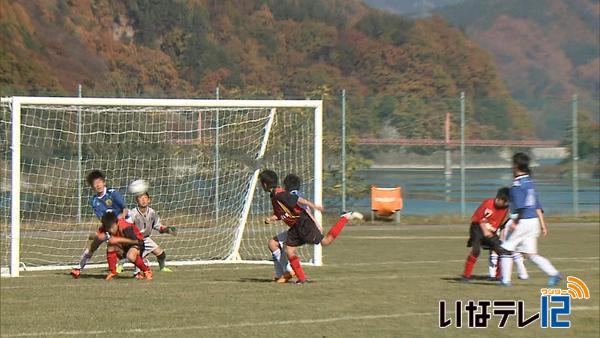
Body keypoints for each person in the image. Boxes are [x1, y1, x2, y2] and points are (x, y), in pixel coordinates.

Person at [260, 170, 362, 284]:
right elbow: (281, 214)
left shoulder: (280, 194)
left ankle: (344, 217)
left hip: (303, 222)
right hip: (295, 225)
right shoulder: (274, 195)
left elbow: (298, 200)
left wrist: (315, 206)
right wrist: (270, 218)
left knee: (325, 242)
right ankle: (301, 279)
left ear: (264, 184)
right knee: (289, 250)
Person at [499, 152, 561, 286]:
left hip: (523, 221)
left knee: (505, 249)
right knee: (531, 254)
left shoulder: (517, 185)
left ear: (515, 165)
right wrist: (542, 224)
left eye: (512, 164)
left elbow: (521, 207)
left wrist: (515, 222)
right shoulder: (530, 182)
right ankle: (554, 273)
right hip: (533, 222)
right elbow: (537, 204)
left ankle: (505, 280)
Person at [71, 170, 129, 279]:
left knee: (126, 250)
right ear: (92, 186)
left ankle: (139, 269)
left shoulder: (113, 193)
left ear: (104, 182)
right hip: (108, 226)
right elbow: (102, 218)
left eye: (99, 182)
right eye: (94, 183)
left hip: (122, 224)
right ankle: (78, 268)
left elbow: (125, 209)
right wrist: (108, 231)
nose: (97, 185)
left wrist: (120, 220)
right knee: (95, 242)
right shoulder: (94, 201)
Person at [461, 187, 511, 282]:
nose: (506, 204)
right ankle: (466, 276)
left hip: (490, 231)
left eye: (508, 202)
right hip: (477, 228)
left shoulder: (505, 209)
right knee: (476, 251)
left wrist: (495, 233)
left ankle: (498, 276)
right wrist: (486, 231)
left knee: (501, 250)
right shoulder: (488, 203)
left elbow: (497, 224)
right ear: (499, 198)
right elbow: (480, 220)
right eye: (505, 201)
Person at [128, 192, 177, 277]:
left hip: (146, 239)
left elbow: (158, 226)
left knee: (161, 254)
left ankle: (162, 268)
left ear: (149, 200)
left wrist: (166, 229)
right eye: (140, 198)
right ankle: (134, 272)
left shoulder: (152, 213)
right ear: (136, 200)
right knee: (137, 257)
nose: (143, 200)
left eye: (145, 198)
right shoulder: (133, 213)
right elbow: (127, 226)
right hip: (135, 240)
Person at [100, 212, 152, 280]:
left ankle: (146, 270)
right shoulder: (106, 226)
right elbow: (96, 236)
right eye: (107, 228)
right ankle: (112, 271)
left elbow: (135, 241)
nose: (110, 230)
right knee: (111, 246)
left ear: (117, 223)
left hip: (138, 244)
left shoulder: (125, 227)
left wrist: (118, 240)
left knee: (131, 256)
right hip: (125, 246)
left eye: (111, 227)